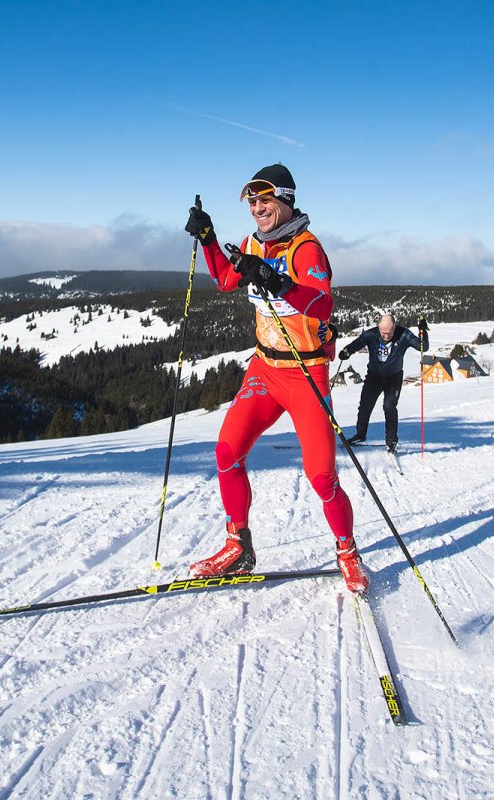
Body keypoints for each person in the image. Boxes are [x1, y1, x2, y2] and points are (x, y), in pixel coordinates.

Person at [183, 164, 367, 594]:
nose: (257, 208)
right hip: (266, 369)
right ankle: (238, 546)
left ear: (285, 200)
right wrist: (209, 239)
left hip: (305, 372)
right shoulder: (253, 242)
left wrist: (277, 281)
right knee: (227, 452)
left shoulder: (306, 249)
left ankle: (347, 550)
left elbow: (321, 306)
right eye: (251, 202)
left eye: (265, 200)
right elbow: (227, 280)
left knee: (322, 478)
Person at [337, 314, 428, 453]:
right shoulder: (372, 334)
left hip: (394, 377)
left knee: (389, 407)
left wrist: (423, 332)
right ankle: (360, 435)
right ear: (379, 328)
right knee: (365, 406)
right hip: (374, 376)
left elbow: (423, 347)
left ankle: (391, 441)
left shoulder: (404, 334)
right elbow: (357, 343)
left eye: (390, 333)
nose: (386, 336)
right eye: (383, 333)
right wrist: (346, 351)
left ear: (395, 327)